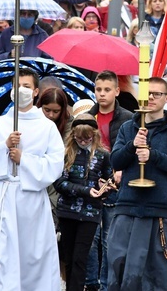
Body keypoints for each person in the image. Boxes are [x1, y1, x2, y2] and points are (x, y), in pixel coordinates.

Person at [0, 67, 64, 289]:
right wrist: (3, 146)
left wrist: (24, 159)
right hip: (3, 197)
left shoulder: (47, 127)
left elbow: (55, 165)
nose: (21, 90)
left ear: (35, 92)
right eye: (17, 86)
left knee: (32, 256)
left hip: (31, 202)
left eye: (26, 86)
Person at [107, 77, 167, 291]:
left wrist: (153, 156)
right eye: (148, 94)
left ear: (166, 98)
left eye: (157, 94)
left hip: (159, 210)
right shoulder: (129, 127)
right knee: (120, 269)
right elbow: (115, 161)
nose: (151, 98)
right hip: (128, 206)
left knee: (156, 275)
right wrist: (131, 147)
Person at [84, 71, 134, 291]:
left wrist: (121, 169)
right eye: (98, 89)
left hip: (115, 183)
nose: (102, 94)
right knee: (91, 238)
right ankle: (91, 283)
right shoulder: (87, 117)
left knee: (110, 239)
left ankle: (108, 285)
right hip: (91, 182)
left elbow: (131, 149)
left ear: (117, 91)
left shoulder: (127, 118)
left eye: (106, 90)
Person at [54, 113, 113, 291]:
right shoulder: (66, 153)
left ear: (94, 135)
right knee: (70, 257)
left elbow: (109, 178)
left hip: (90, 213)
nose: (83, 141)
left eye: (87, 138)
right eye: (79, 138)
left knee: (81, 257)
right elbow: (59, 183)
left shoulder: (103, 155)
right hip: (67, 212)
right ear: (73, 136)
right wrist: (85, 190)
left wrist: (106, 186)